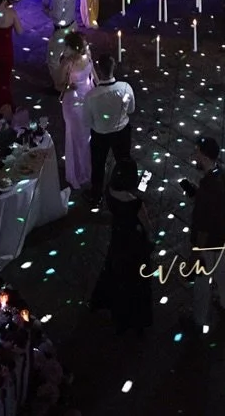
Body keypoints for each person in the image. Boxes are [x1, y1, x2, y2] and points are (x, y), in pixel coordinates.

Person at [89, 157, 153, 335]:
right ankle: (133, 317)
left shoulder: (109, 191)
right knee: (136, 281)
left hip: (118, 237)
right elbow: (147, 224)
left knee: (114, 271)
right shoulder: (135, 203)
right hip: (134, 242)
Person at [180, 136, 225, 334]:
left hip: (209, 241)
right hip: (224, 234)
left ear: (203, 156)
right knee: (223, 271)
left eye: (196, 151)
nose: (194, 155)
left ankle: (199, 319)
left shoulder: (208, 187)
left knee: (202, 282)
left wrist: (197, 253)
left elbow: (203, 224)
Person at [84, 53, 135, 204]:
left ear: (99, 70)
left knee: (98, 164)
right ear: (114, 68)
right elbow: (131, 109)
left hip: (100, 134)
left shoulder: (91, 96)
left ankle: (96, 195)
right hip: (122, 132)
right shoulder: (125, 88)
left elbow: (87, 121)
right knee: (123, 161)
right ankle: (125, 192)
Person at [60, 31, 96, 190]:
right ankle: (84, 170)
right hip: (83, 98)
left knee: (80, 137)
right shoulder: (86, 56)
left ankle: (80, 170)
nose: (65, 48)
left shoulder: (68, 63)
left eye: (67, 45)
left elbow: (59, 85)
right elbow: (94, 77)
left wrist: (68, 86)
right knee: (81, 137)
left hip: (76, 100)